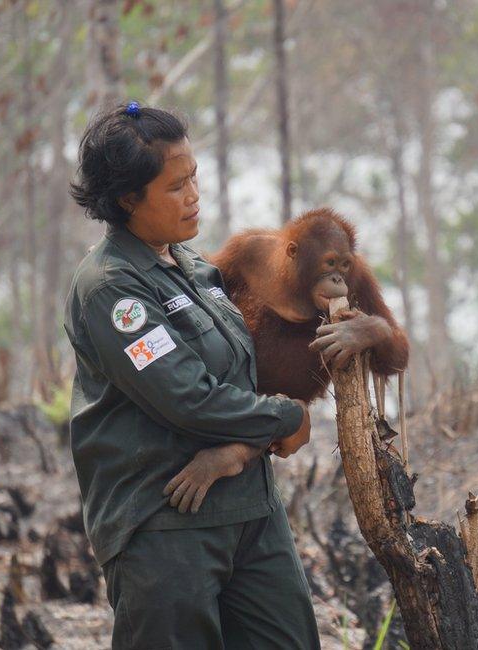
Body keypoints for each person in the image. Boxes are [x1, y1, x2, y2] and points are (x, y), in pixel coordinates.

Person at [63, 102, 321, 650]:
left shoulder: (196, 269)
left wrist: (241, 450)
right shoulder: (113, 289)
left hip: (251, 510)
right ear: (128, 198)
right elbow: (188, 399)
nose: (194, 195)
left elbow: (240, 383)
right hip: (166, 525)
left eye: (194, 178)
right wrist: (286, 416)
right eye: (176, 186)